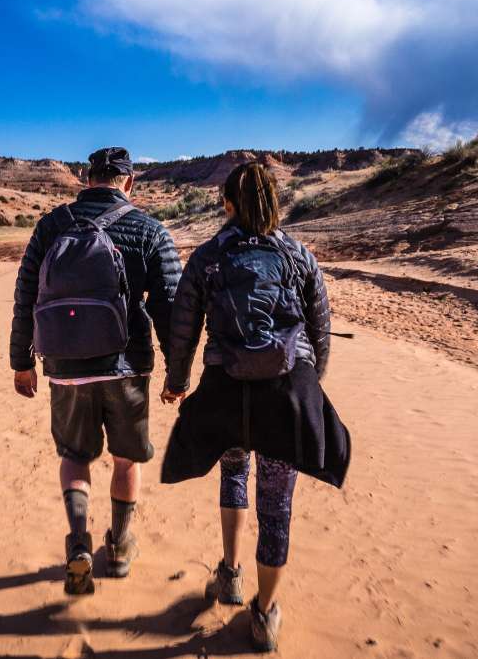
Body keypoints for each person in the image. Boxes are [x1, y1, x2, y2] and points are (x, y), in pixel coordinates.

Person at [159, 161, 350, 652]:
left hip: (227, 390)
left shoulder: (208, 257)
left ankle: (230, 575)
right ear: (275, 202)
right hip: (285, 394)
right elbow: (320, 330)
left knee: (233, 473)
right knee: (277, 503)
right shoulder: (300, 256)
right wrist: (310, 382)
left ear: (227, 204)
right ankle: (264, 615)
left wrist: (177, 382)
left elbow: (184, 331)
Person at [10, 146, 181, 595]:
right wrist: (177, 374)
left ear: (87, 180)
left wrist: (21, 362)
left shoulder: (51, 226)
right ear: (129, 182)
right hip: (126, 367)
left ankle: (79, 544)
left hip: (65, 367)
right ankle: (121, 548)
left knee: (74, 456)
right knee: (126, 458)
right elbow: (170, 309)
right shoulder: (148, 229)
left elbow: (26, 293)